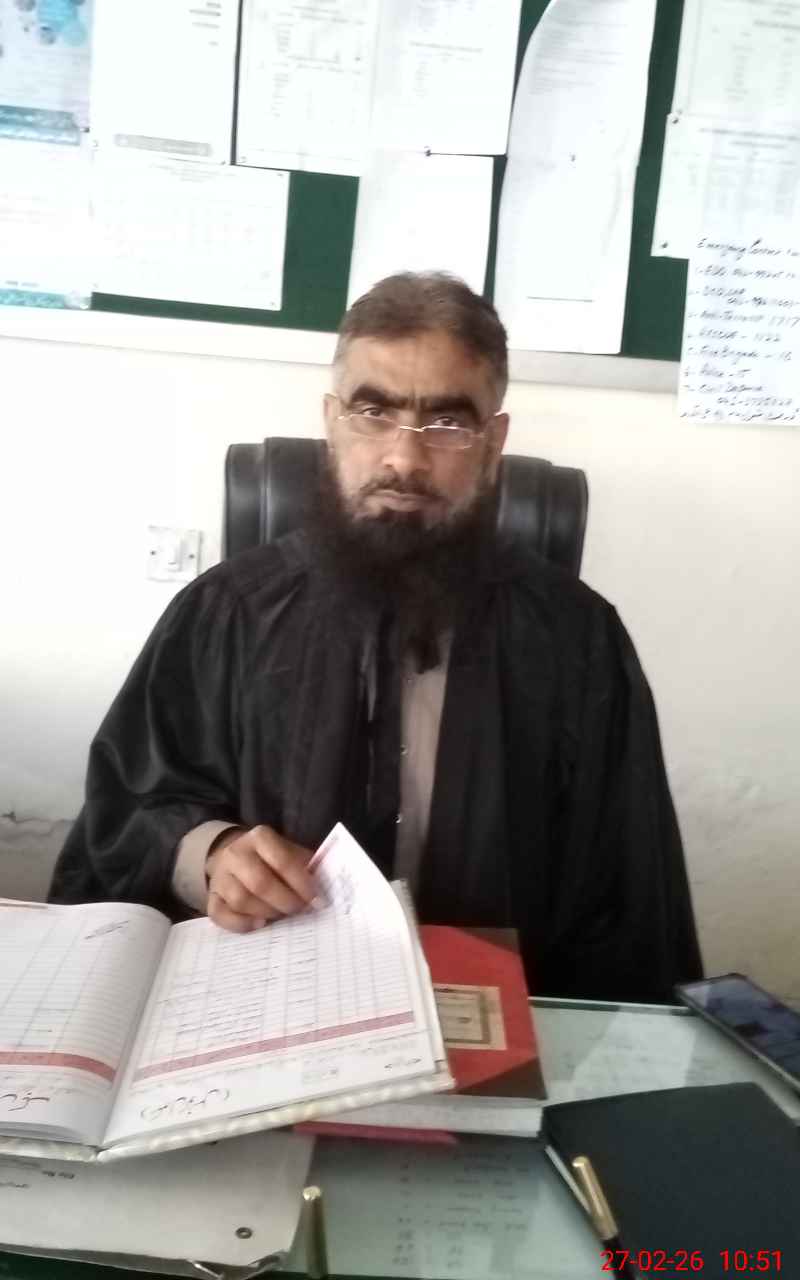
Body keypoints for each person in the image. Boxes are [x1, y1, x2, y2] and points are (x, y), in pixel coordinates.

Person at [49, 271, 702, 1002]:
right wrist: (212, 853)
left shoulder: (577, 640)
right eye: (374, 412)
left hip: (490, 1013)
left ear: (493, 443)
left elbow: (628, 898)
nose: (404, 459)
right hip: (263, 1004)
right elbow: (125, 812)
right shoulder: (224, 613)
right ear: (332, 422)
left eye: (446, 423)